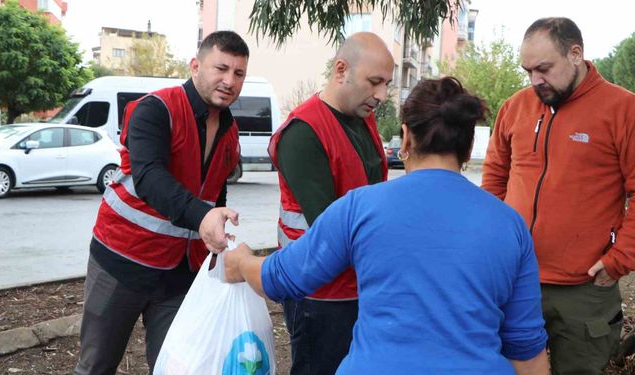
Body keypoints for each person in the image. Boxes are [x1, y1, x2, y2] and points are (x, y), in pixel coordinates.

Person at [223, 77, 549, 374]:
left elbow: (283, 278)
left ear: (406, 138)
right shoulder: (509, 224)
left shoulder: (360, 207)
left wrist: (241, 262)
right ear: (466, 148)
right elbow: (527, 352)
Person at [74, 30, 248, 374]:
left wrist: (215, 239)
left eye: (238, 73)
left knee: (177, 367)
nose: (229, 81)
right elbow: (150, 177)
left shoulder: (229, 129)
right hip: (122, 261)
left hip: (180, 274)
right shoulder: (156, 109)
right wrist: (203, 217)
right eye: (221, 68)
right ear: (195, 66)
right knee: (96, 365)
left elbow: (215, 193)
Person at [482, 17, 635, 374]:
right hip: (514, 277)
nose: (536, 80)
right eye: (528, 70)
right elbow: (494, 179)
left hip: (583, 286)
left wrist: (619, 259)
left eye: (544, 69)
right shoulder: (515, 107)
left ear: (576, 54)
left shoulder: (623, 109)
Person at [265, 32, 391, 374]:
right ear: (341, 70)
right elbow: (328, 228)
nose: (381, 95)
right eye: (374, 82)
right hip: (318, 293)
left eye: (386, 85)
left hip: (357, 286)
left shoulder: (362, 118)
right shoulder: (304, 132)